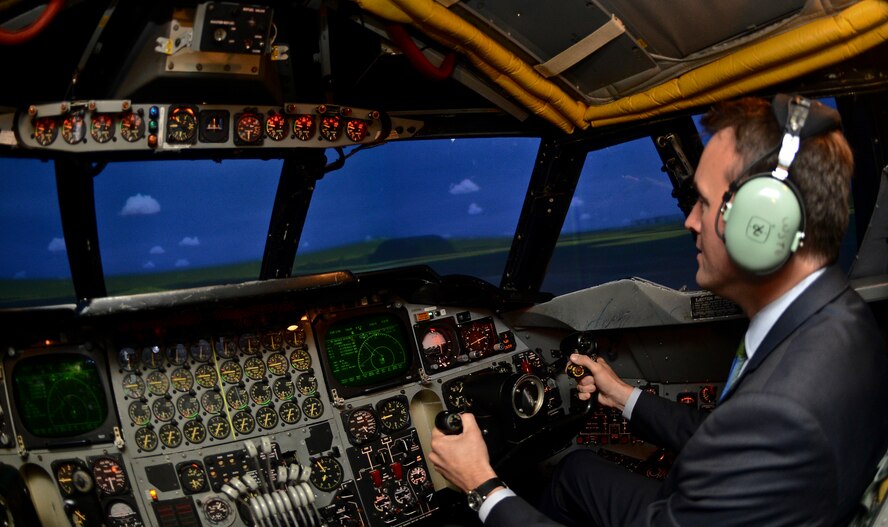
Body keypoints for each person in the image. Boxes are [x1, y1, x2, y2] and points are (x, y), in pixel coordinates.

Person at [429, 94, 888, 526]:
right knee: (576, 472)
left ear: (763, 225)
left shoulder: (780, 409)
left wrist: (481, 486)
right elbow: (726, 436)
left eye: (705, 204)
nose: (689, 221)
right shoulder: (844, 319)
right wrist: (621, 394)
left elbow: (752, 429)